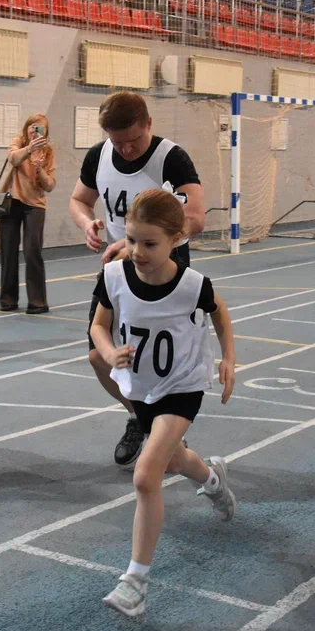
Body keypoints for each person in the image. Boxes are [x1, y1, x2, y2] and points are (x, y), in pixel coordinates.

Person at [90, 189, 236, 617]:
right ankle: (213, 480)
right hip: (144, 388)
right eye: (132, 240)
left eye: (149, 243)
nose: (137, 251)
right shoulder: (115, 276)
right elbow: (100, 325)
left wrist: (228, 358)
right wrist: (108, 349)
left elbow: (220, 313)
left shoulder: (193, 285)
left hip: (183, 385)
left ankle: (135, 582)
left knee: (145, 475)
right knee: (175, 461)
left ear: (176, 239)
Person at [69, 91, 206, 468]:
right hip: (117, 271)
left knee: (160, 361)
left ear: (149, 124)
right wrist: (88, 223)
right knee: (100, 355)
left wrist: (137, 246)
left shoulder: (170, 158)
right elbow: (79, 199)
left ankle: (166, 426)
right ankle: (141, 418)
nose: (127, 150)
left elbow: (195, 217)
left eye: (135, 140)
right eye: (119, 142)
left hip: (164, 271)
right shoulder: (98, 156)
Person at [0, 113, 56, 314]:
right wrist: (29, 150)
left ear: (45, 133)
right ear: (26, 128)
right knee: (8, 252)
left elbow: (50, 186)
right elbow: (13, 158)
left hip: (35, 206)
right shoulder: (18, 143)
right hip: (12, 202)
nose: (34, 131)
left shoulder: (48, 152)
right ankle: (8, 299)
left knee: (33, 252)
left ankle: (38, 301)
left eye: (39, 128)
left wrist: (40, 170)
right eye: (32, 127)